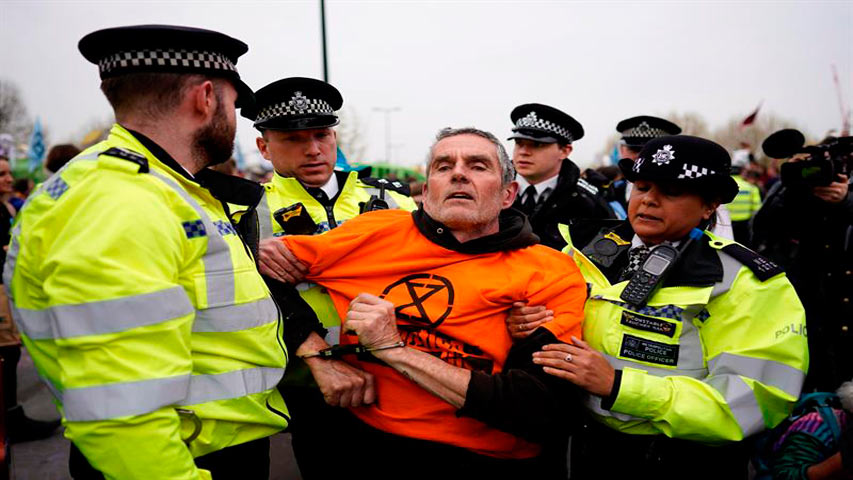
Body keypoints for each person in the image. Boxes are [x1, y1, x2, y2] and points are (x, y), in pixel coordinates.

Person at [5, 25, 293, 479]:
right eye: (234, 105)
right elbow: (122, 410)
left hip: (203, 442)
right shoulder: (123, 202)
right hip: (180, 456)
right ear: (205, 98)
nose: (236, 119)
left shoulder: (154, 187)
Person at [261, 127, 588, 478]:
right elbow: (258, 272)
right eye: (443, 166)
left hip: (491, 458)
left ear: (508, 194)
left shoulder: (548, 269)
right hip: (369, 443)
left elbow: (540, 410)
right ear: (427, 190)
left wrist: (393, 349)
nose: (458, 173)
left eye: (478, 166)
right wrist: (315, 354)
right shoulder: (375, 231)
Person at [510, 135, 809, 478]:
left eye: (671, 192)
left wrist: (619, 387)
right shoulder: (581, 250)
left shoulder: (746, 282)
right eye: (642, 186)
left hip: (684, 460)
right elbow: (546, 324)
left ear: (709, 205)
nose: (649, 200)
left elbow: (754, 401)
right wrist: (525, 322)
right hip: (587, 445)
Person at [241, 76, 416, 478]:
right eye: (293, 138)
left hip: (400, 377)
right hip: (314, 389)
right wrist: (251, 253)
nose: (313, 149)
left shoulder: (392, 199)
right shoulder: (247, 214)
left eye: (322, 134)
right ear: (264, 147)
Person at [753, 133, 853, 393]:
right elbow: (761, 228)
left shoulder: (846, 188)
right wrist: (792, 186)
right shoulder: (790, 186)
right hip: (804, 298)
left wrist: (845, 202)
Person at [509, 103, 613, 250]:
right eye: (519, 143)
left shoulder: (587, 203)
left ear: (565, 151)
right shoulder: (492, 190)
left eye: (537, 144)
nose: (524, 152)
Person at [728, 148, 762, 246]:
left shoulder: (720, 187)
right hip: (743, 225)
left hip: (724, 225)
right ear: (741, 172)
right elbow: (757, 209)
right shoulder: (751, 188)